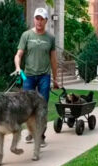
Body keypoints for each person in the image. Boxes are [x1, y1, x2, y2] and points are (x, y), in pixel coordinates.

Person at [14, 7, 61, 147]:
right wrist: (18, 67)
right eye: (37, 18)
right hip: (28, 76)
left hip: (44, 77)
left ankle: (40, 135)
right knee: (27, 107)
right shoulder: (26, 35)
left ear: (46, 20)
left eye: (42, 19)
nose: (39, 22)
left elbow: (53, 59)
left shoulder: (50, 38)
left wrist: (55, 78)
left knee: (42, 107)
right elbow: (18, 55)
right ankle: (31, 132)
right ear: (34, 19)